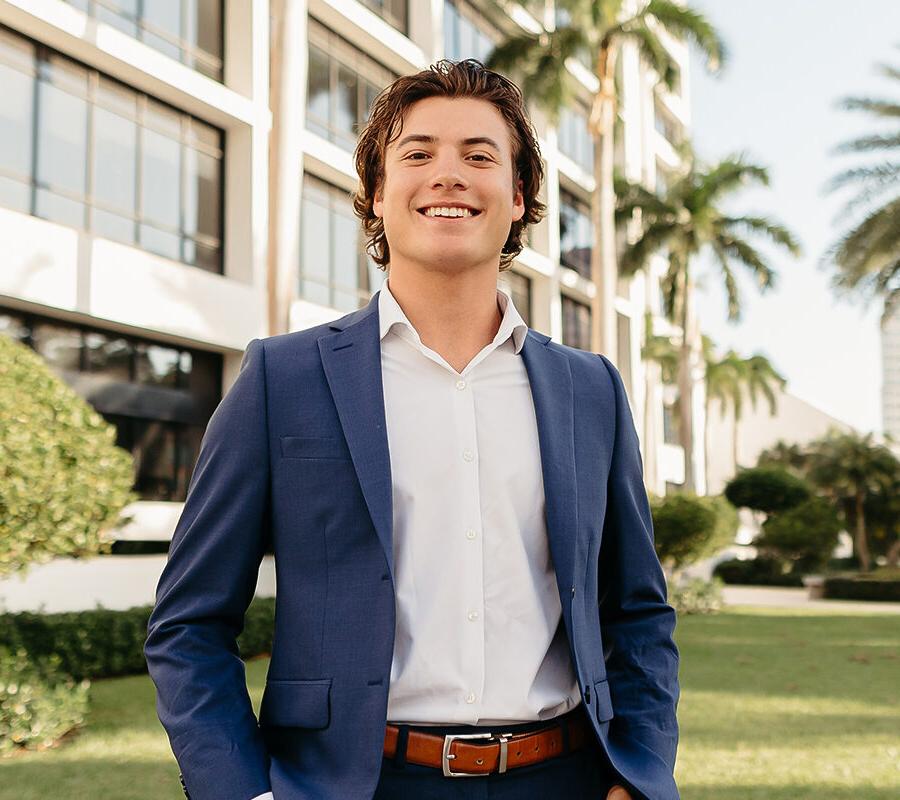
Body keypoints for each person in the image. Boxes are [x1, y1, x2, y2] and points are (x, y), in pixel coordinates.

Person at [145, 59, 680, 800]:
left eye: (479, 156)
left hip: (565, 780)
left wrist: (641, 776)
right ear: (374, 194)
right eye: (418, 153)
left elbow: (638, 612)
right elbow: (189, 623)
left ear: (518, 196)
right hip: (354, 784)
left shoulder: (591, 391)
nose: (449, 175)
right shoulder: (283, 379)